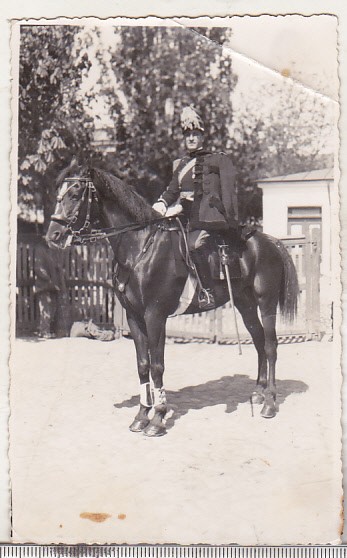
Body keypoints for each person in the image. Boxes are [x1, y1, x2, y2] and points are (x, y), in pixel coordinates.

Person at [152, 106, 239, 310]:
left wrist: (183, 205)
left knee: (193, 246)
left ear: (202, 137)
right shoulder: (181, 164)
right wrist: (162, 203)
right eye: (187, 135)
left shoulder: (215, 160)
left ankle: (207, 291)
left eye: (195, 134)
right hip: (183, 218)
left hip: (206, 218)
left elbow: (217, 194)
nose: (191, 139)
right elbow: (172, 190)